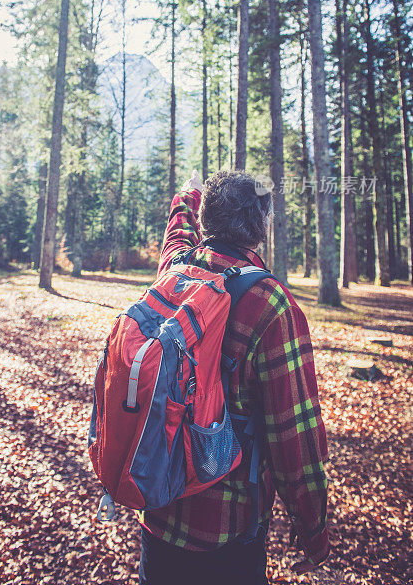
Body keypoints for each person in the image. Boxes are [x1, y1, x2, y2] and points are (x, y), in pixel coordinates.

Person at [137, 169, 330, 585]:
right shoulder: (270, 304)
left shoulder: (174, 273)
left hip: (158, 513)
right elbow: (294, 433)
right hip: (227, 532)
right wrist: (312, 526)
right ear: (261, 228)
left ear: (206, 219)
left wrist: (188, 194)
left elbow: (177, 233)